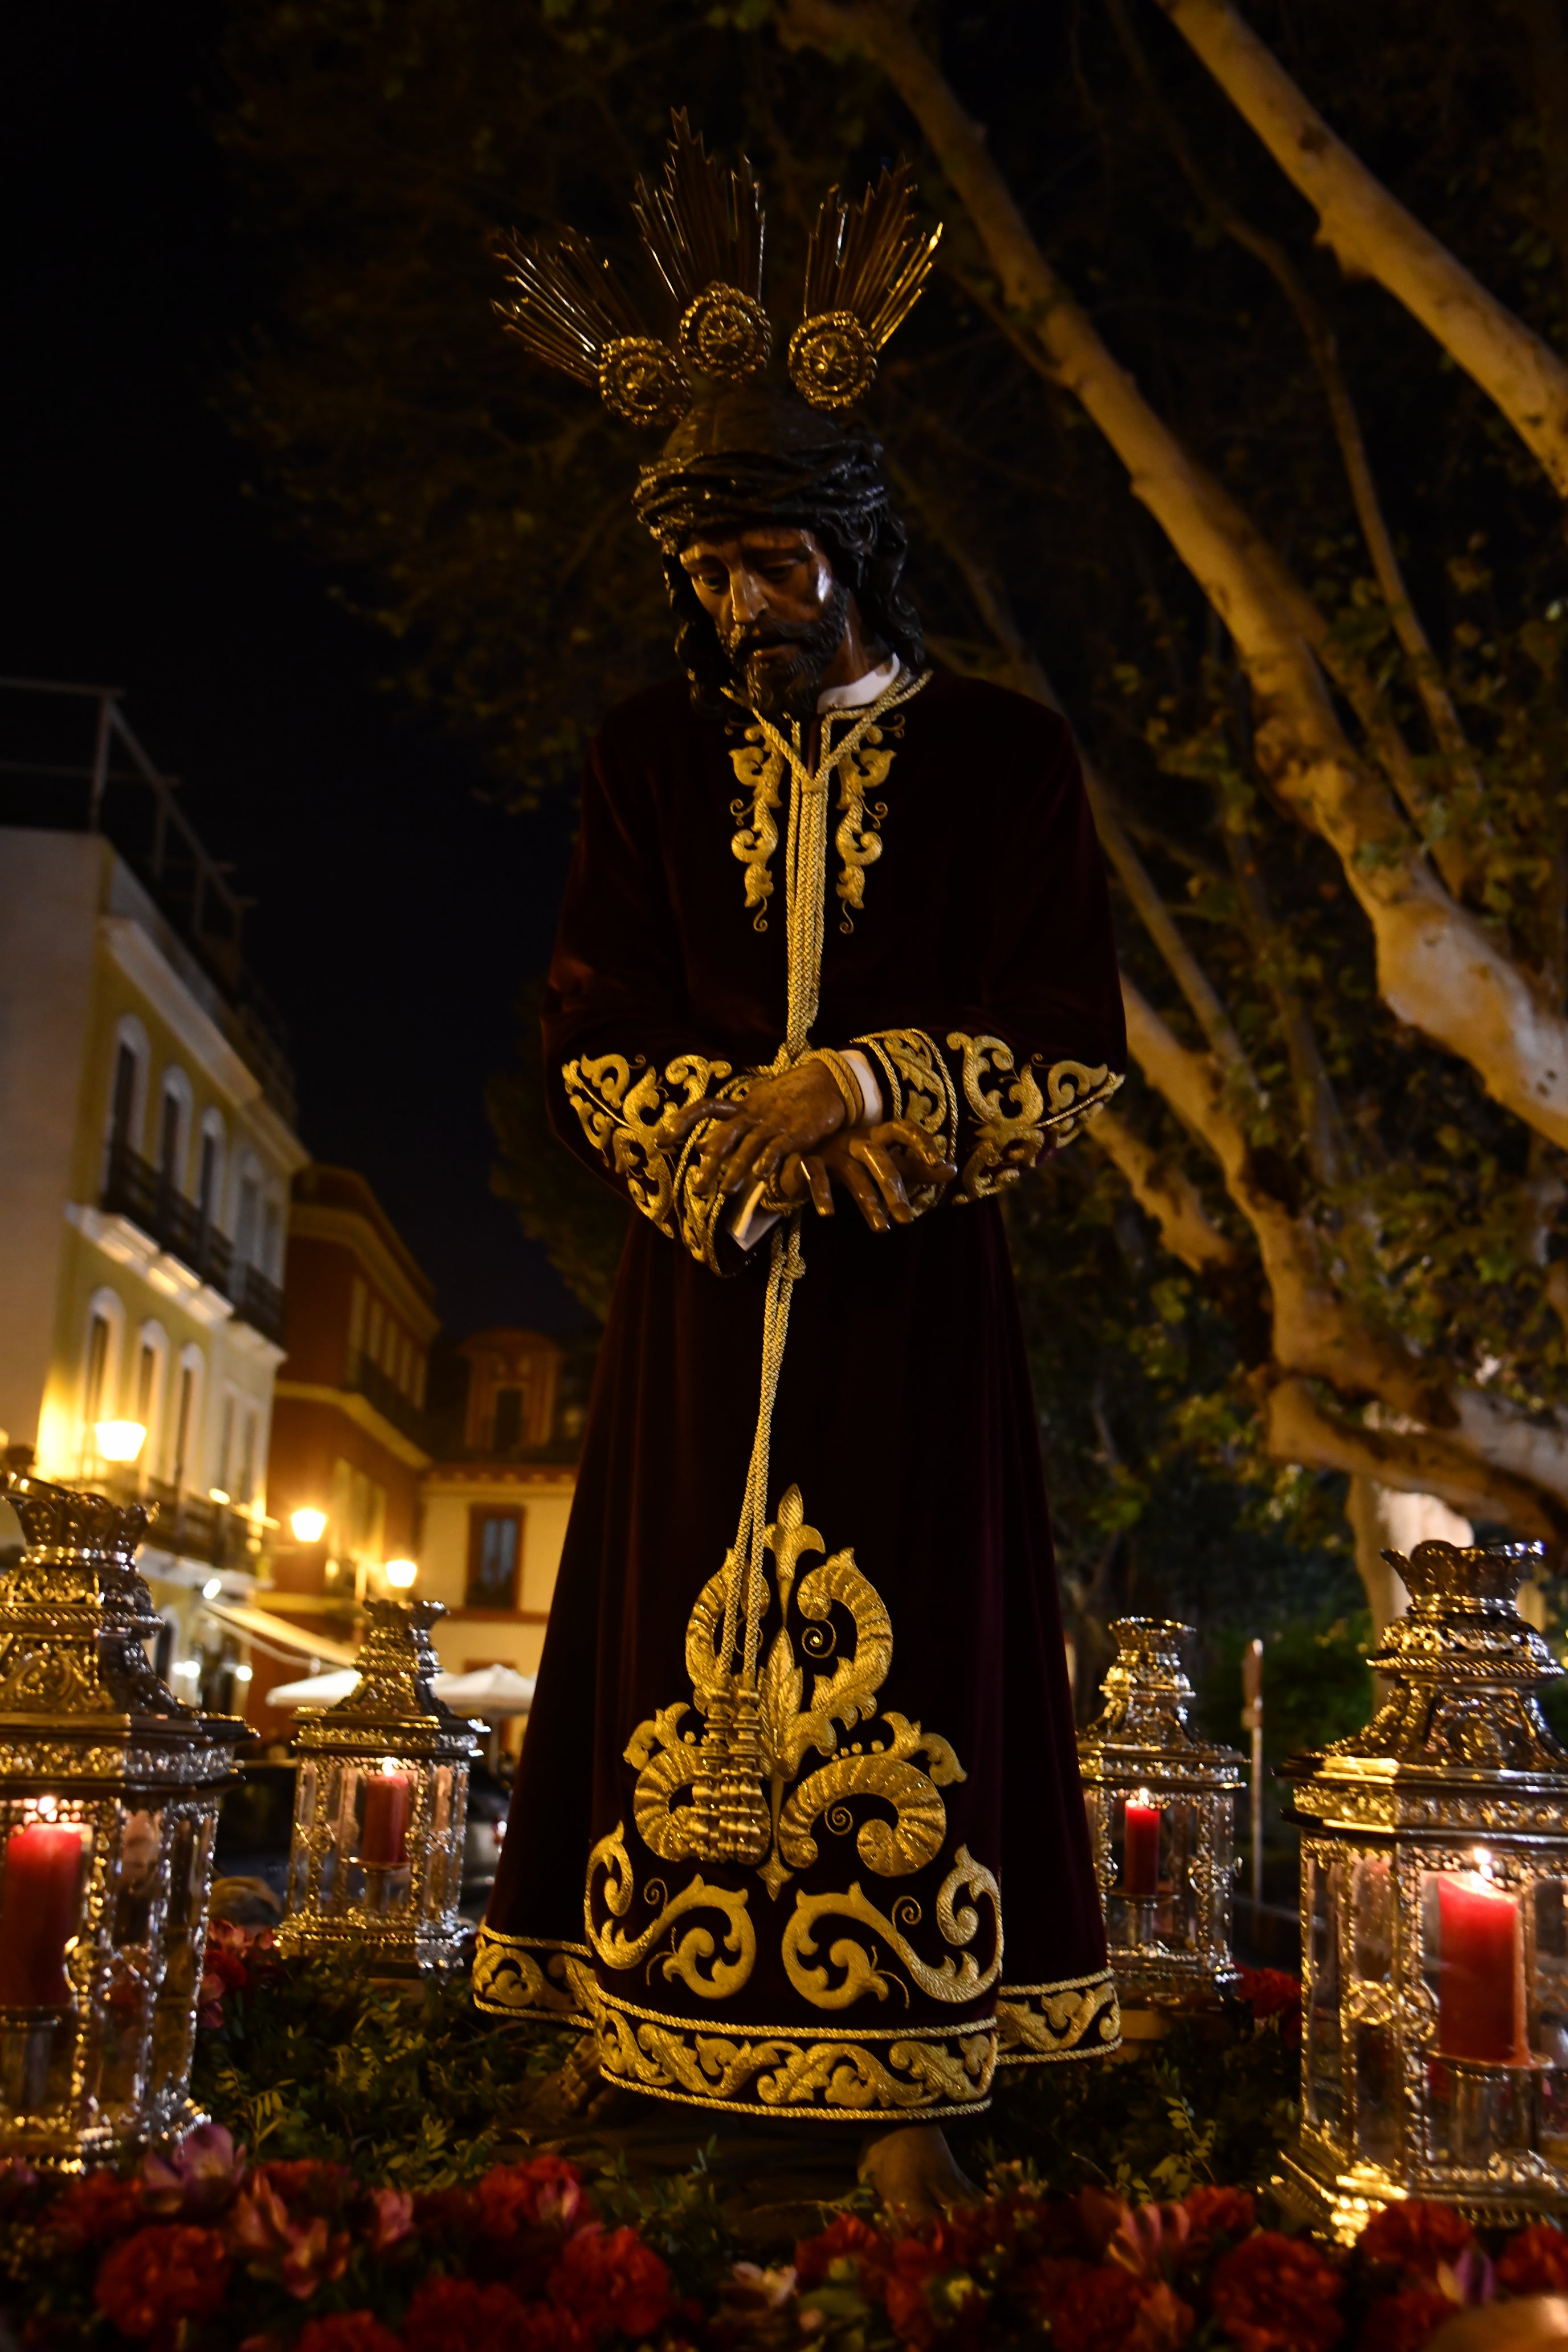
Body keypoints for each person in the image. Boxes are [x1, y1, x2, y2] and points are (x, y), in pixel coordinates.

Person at [475, 118, 1128, 2218]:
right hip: (702, 1278)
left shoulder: (1008, 762)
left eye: (771, 566)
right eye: (708, 572)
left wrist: (853, 1095)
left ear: (853, 547)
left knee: (920, 1620)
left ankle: (907, 2064)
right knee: (662, 1604)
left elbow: (1071, 1040)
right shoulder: (646, 759)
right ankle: (644, 2022)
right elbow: (595, 1016)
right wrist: (705, 1133)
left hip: (906, 1284)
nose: (739, 605)